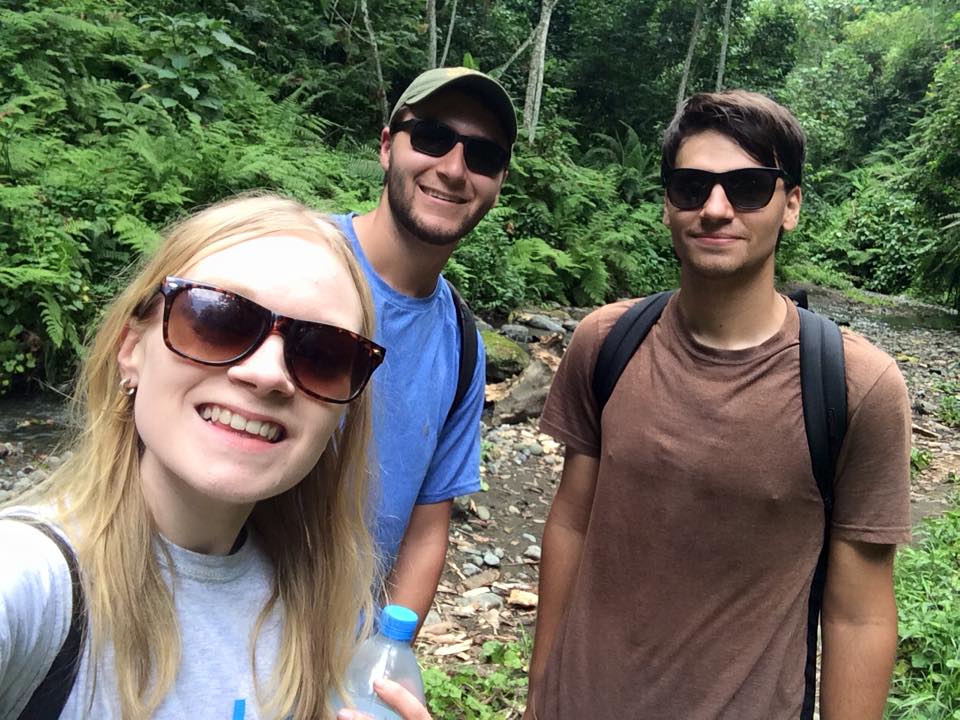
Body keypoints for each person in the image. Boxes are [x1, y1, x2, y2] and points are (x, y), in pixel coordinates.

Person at [524, 91, 912, 719]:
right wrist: (541, 690)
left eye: (749, 187)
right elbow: (571, 520)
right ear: (666, 204)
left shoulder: (854, 387)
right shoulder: (606, 342)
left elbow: (859, 613)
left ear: (790, 206)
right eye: (691, 185)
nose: (715, 208)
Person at [0, 195, 430, 720]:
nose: (269, 373)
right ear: (130, 350)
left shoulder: (321, 613)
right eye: (217, 319)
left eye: (323, 353)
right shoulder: (28, 584)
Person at [333, 67, 517, 628]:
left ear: (499, 181)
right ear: (388, 147)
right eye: (433, 138)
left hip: (337, 660)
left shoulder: (461, 341)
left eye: (482, 156)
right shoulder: (296, 266)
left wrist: (382, 662)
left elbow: (426, 525)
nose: (455, 169)